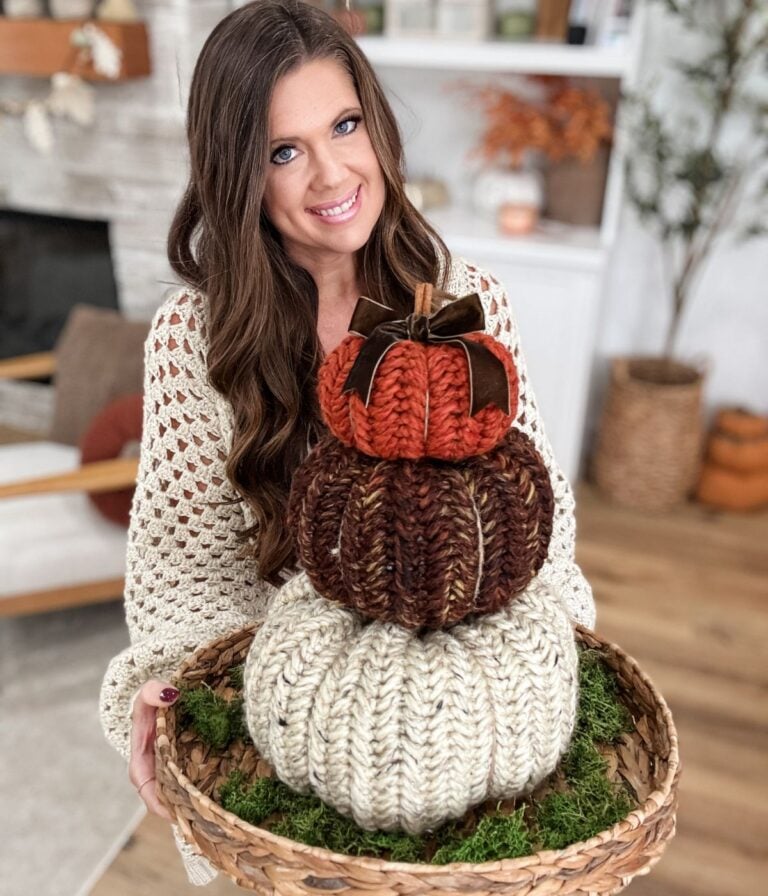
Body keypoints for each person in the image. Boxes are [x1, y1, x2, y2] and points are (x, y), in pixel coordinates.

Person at [99, 0, 596, 885]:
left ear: (376, 123)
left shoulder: (464, 302)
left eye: (345, 125)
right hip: (297, 720)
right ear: (236, 173)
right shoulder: (194, 338)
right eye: (284, 152)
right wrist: (176, 694)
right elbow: (183, 577)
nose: (331, 173)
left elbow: (533, 534)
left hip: (462, 720)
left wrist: (528, 682)